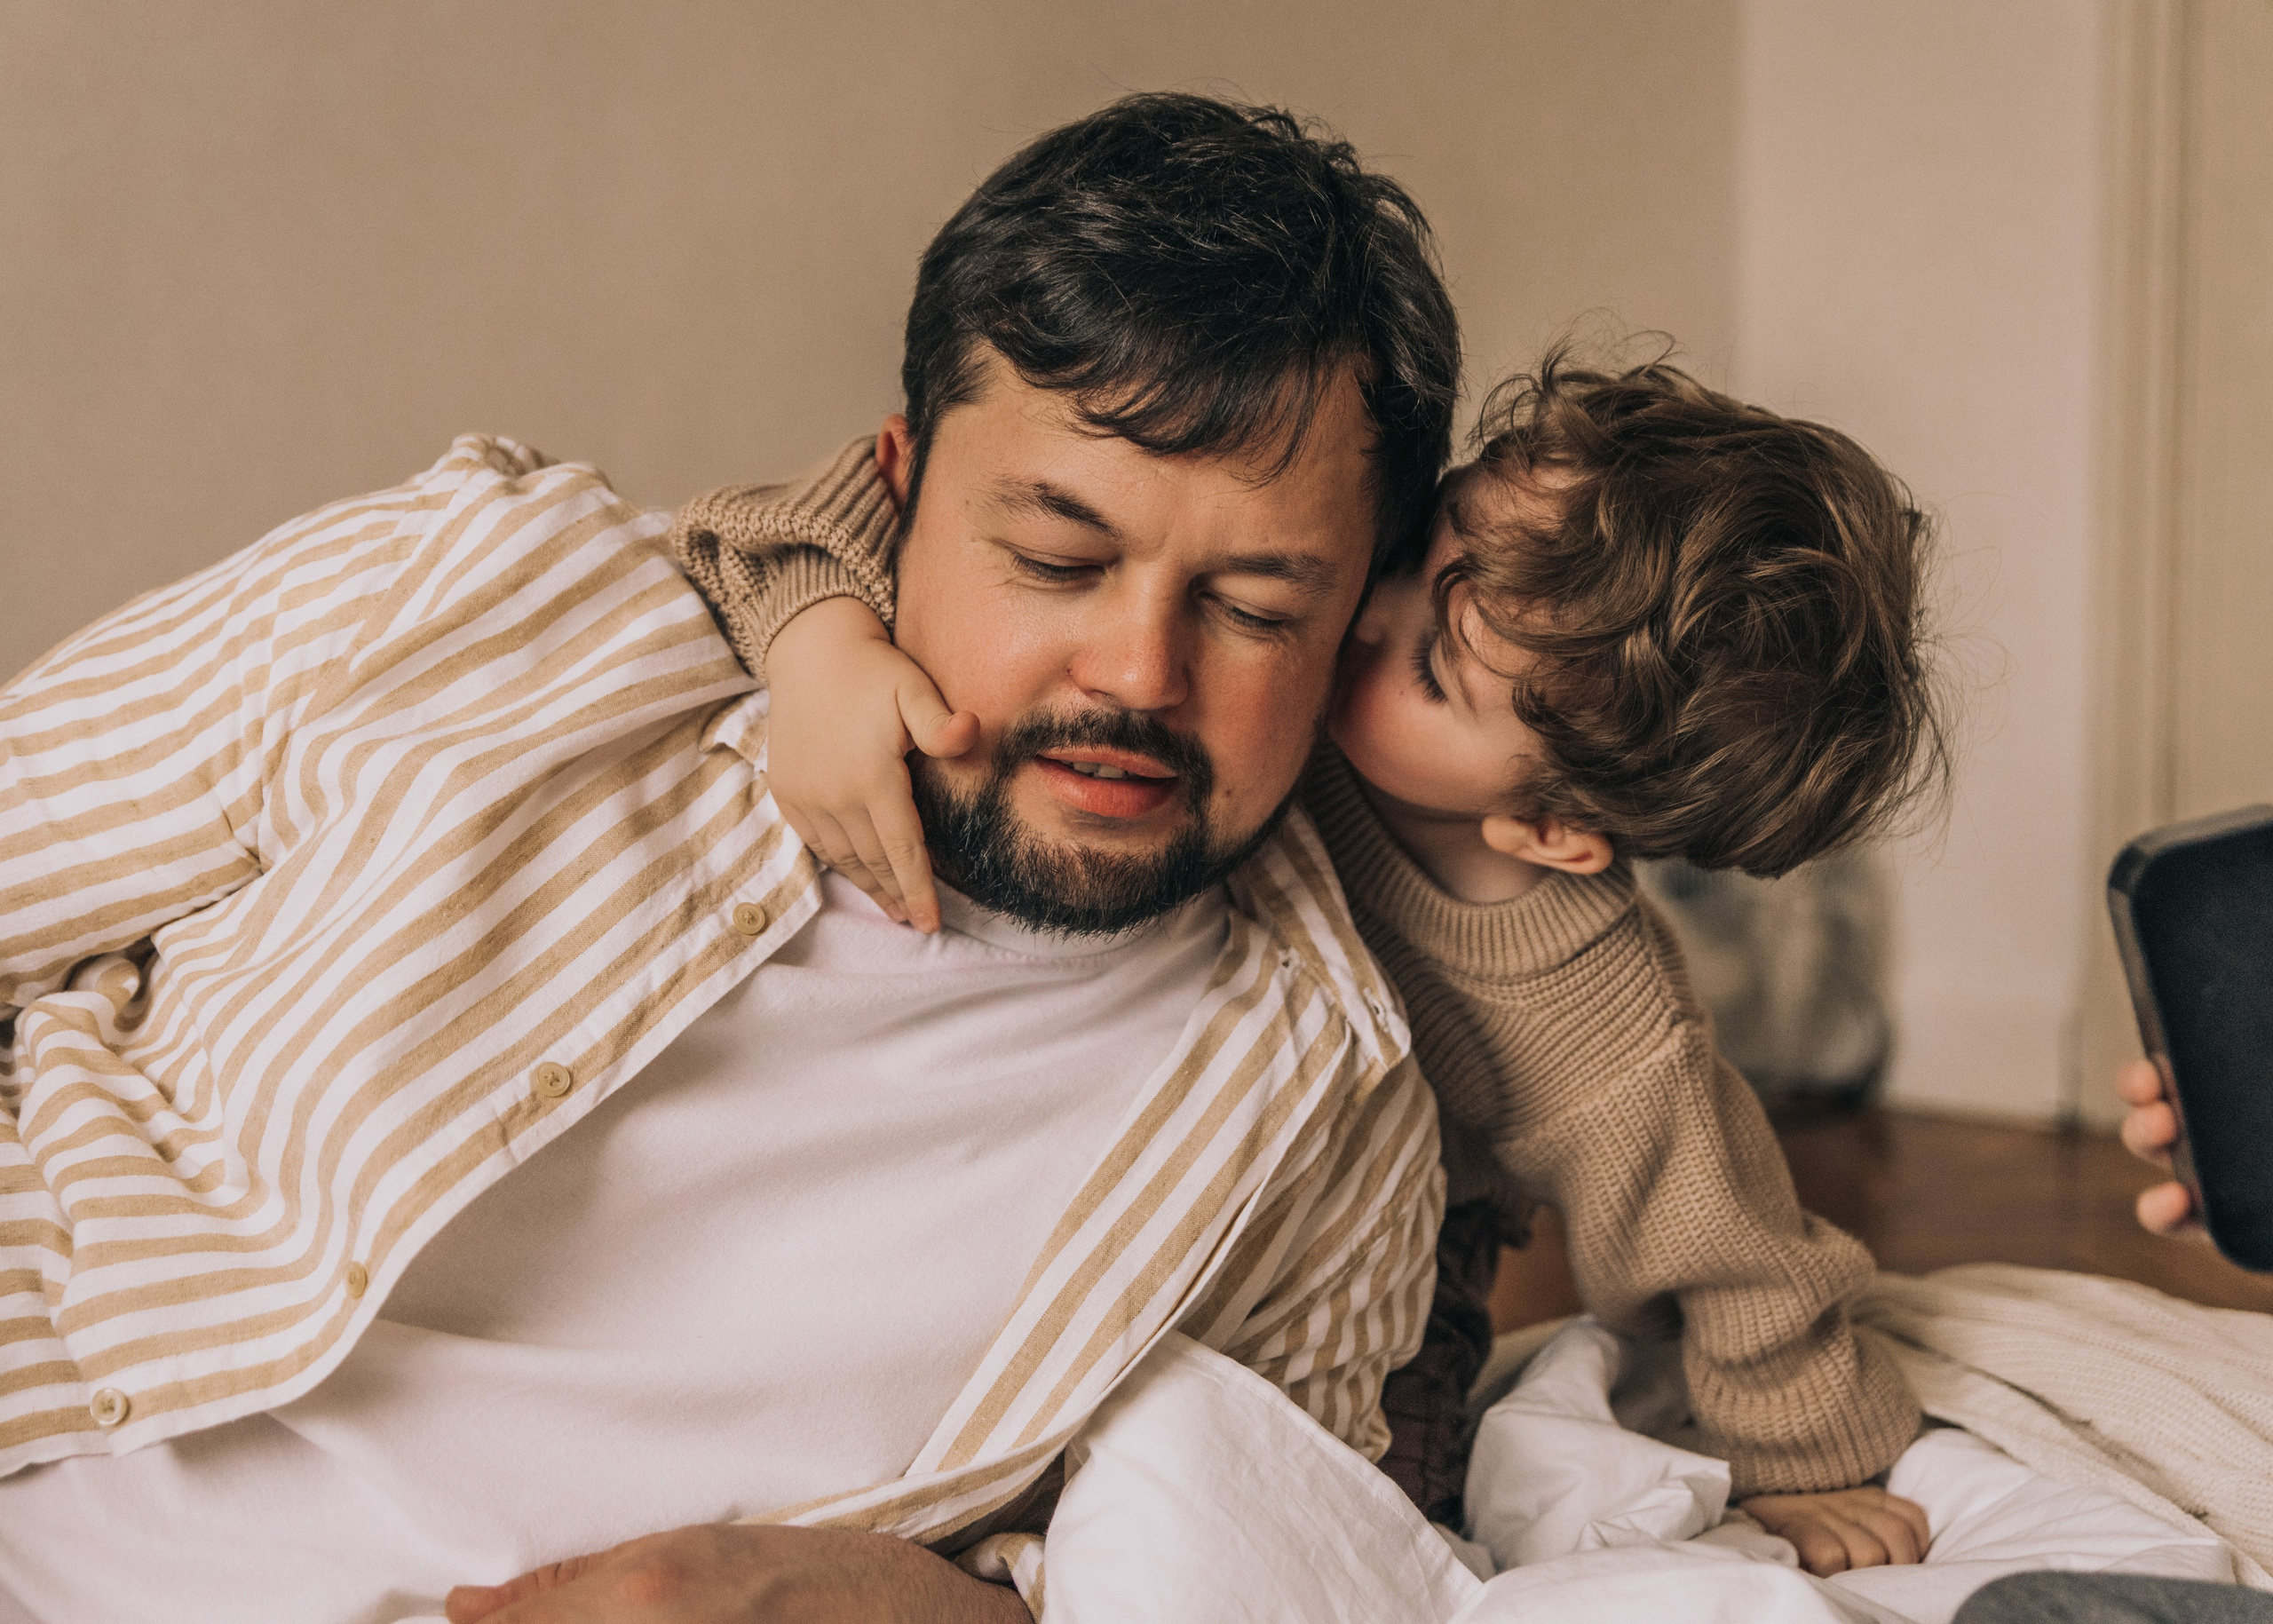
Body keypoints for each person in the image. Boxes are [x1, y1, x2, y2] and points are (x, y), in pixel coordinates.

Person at [0, 94, 1461, 1623]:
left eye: (1255, 608)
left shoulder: (1330, 1122)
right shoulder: (489, 591)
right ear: (897, 488)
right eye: (1058, 560)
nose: (1141, 672)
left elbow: (1259, 1583)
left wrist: (937, 1610)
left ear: (1357, 616)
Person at [728, 347, 1950, 1574]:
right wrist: (820, 641)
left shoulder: (1599, 1021)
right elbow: (842, 501)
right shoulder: (1281, 687)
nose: (1362, 612)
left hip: (1395, 1288)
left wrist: (1813, 1467)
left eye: (1428, 667)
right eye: (1415, 554)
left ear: (1549, 830)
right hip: (1174, 1158)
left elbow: (1731, 1248)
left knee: (1325, 1521)